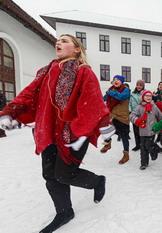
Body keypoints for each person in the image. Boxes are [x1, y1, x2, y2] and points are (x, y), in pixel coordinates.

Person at [0, 34, 112, 233]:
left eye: (65, 41)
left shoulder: (83, 71)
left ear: (77, 49)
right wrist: (11, 112)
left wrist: (102, 124)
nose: (58, 43)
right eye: (57, 41)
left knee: (65, 174)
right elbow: (29, 94)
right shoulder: (45, 72)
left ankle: (97, 181)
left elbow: (93, 100)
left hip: (74, 133)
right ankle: (64, 212)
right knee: (50, 175)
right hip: (49, 131)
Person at [100, 75, 131, 164]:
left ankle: (126, 155)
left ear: (122, 82)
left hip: (123, 117)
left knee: (124, 137)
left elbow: (121, 97)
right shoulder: (111, 90)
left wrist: (110, 92)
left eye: (118, 80)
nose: (115, 81)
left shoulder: (126, 90)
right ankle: (108, 143)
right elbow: (103, 99)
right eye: (114, 80)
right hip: (113, 115)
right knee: (106, 128)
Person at [130, 90, 162, 170]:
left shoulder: (154, 107)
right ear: (143, 97)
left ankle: (155, 150)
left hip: (152, 131)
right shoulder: (139, 107)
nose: (148, 97)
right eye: (146, 96)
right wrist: (138, 121)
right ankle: (144, 163)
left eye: (150, 96)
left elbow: (161, 116)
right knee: (143, 148)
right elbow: (132, 115)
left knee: (148, 145)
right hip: (142, 131)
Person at [129, 79, 145, 151]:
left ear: (143, 86)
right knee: (135, 131)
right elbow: (129, 103)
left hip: (142, 115)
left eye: (141, 85)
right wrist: (130, 111)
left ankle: (143, 145)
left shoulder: (144, 93)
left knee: (142, 131)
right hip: (134, 115)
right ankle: (137, 145)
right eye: (138, 85)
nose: (139, 86)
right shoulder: (132, 94)